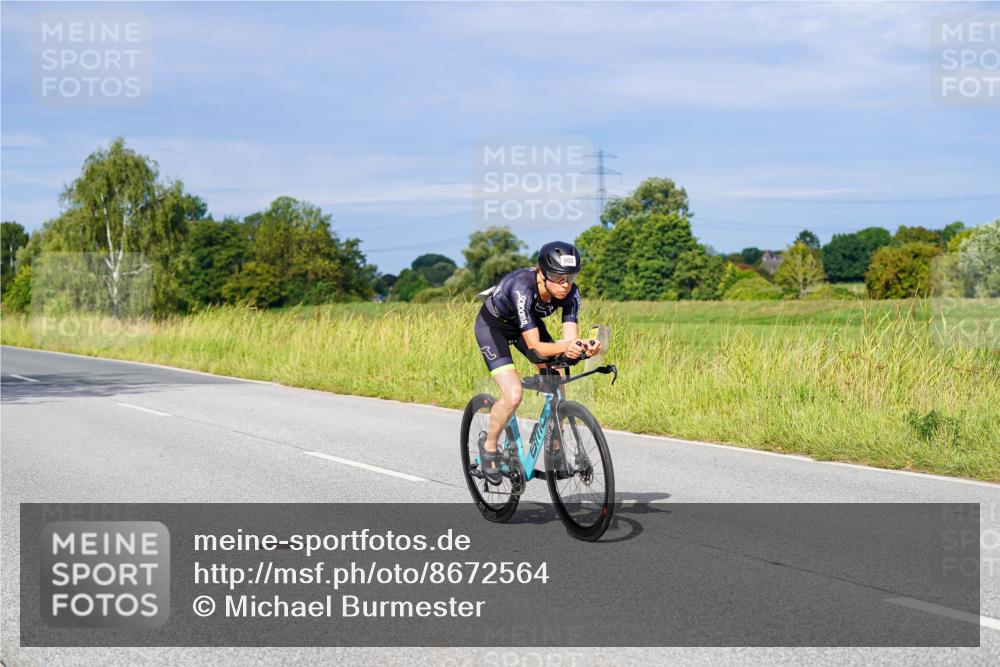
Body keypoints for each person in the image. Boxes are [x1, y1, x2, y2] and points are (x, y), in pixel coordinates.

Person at [473, 241, 601, 485]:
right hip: (493, 329)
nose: (565, 285)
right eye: (558, 278)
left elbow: (569, 341)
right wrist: (567, 346)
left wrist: (581, 347)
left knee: (558, 375)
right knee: (513, 395)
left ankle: (555, 445)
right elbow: (536, 347)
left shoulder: (571, 293)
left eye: (571, 277)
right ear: (542, 273)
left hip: (526, 326)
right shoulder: (522, 287)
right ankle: (489, 446)